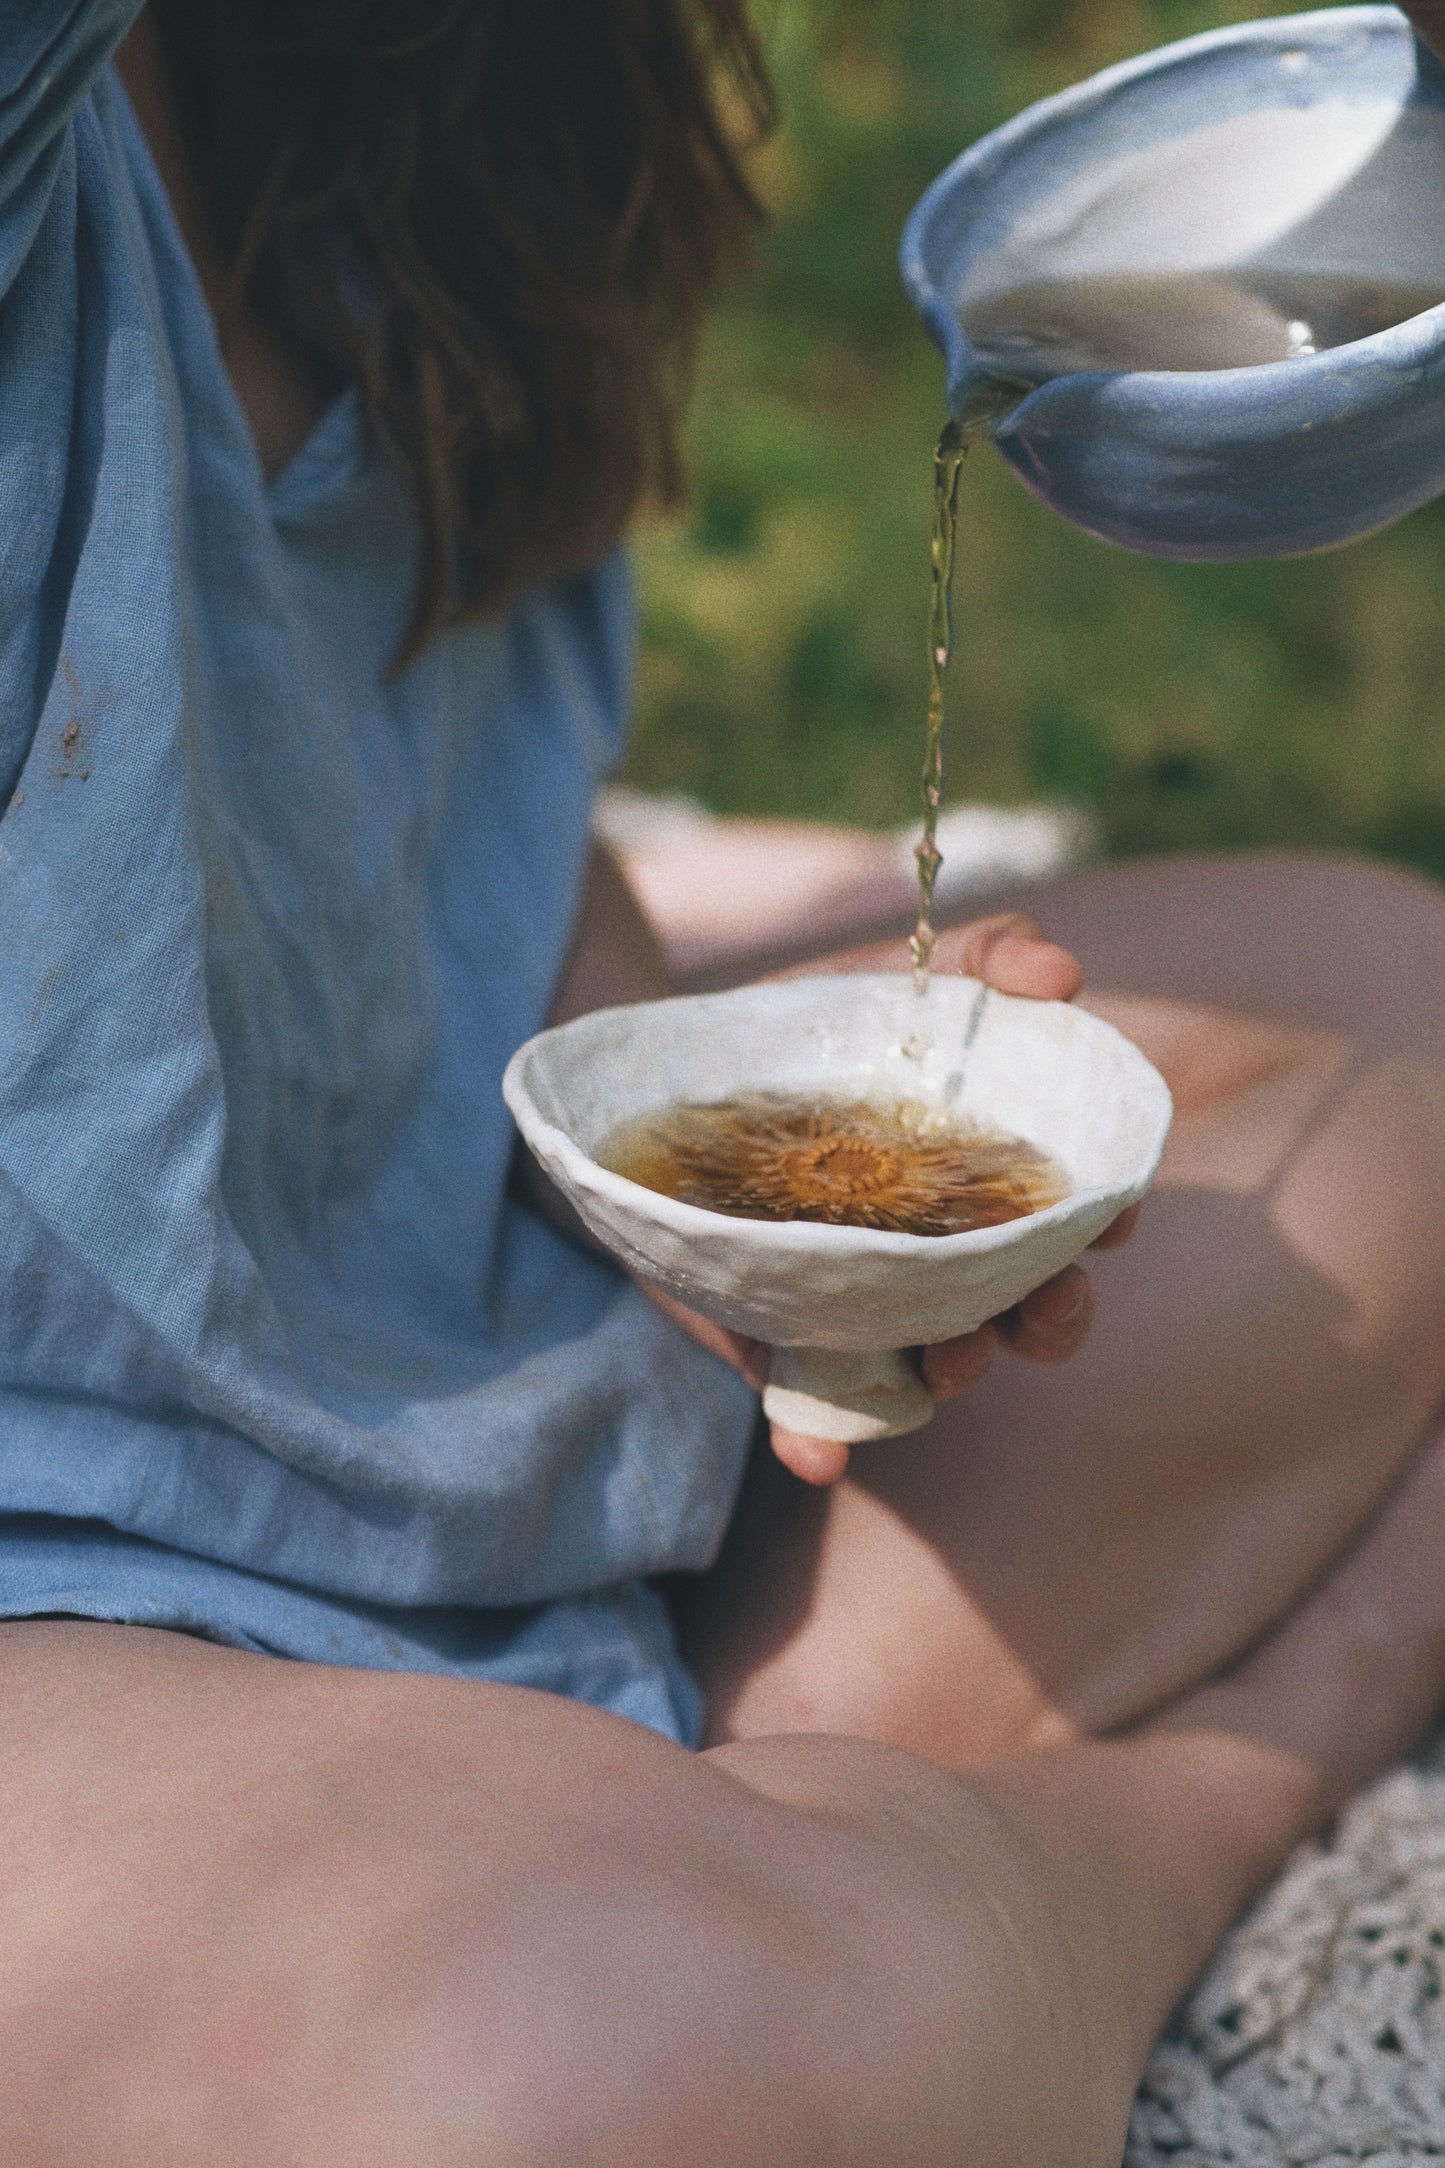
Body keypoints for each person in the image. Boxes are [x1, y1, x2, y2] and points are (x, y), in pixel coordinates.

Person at [1, 4, 1444, 2161]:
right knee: (613, 2068)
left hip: (454, 1368)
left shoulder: (434, 71)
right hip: (69, 1572)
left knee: (1389, 1028)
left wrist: (660, 1086)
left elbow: (464, 765)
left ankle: (673, 1837)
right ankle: (1208, 1788)